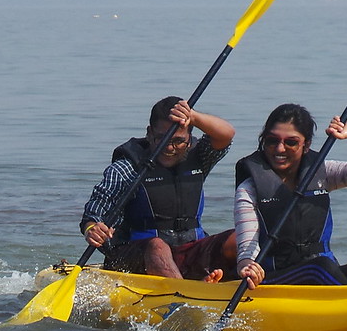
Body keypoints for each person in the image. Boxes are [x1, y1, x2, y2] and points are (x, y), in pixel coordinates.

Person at [234, 103, 347, 288]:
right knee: (319, 268)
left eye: (291, 142)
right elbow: (247, 247)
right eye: (271, 141)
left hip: (324, 274)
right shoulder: (249, 189)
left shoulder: (321, 173)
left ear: (306, 145)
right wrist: (247, 265)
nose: (279, 149)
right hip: (276, 280)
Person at [80, 96, 238, 283]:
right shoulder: (127, 168)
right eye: (162, 139)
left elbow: (226, 134)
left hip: (187, 251)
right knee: (157, 246)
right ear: (149, 133)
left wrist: (193, 116)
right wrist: (93, 229)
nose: (169, 148)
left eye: (178, 141)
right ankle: (183, 295)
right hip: (137, 255)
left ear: (189, 139)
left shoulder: (198, 157)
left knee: (237, 238)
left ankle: (214, 282)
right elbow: (93, 214)